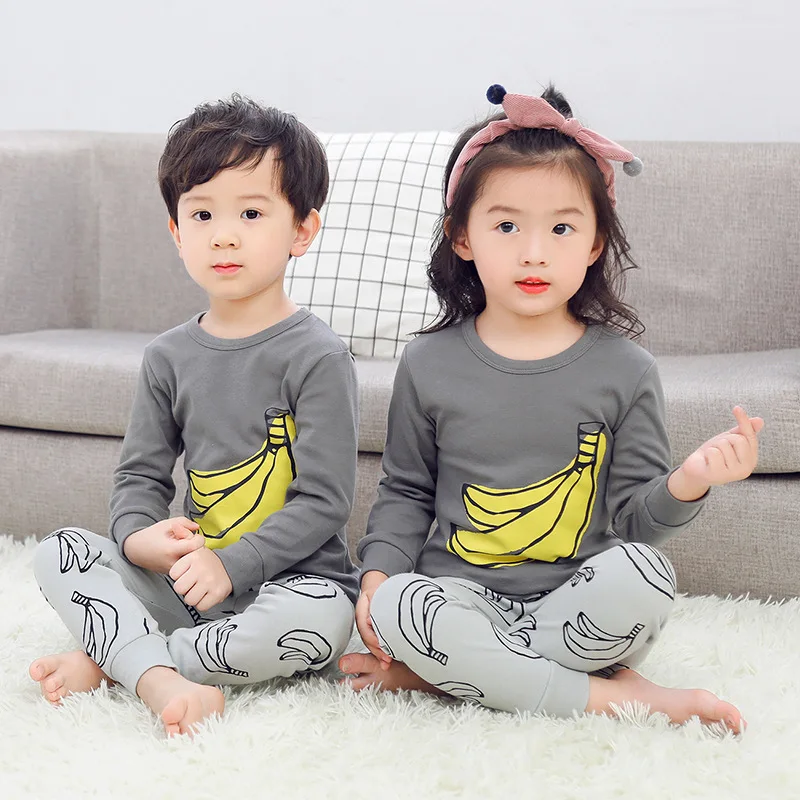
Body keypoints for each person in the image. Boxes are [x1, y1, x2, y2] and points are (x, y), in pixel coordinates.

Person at [339, 84, 762, 733]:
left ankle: (456, 675)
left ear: (594, 243)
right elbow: (406, 492)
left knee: (647, 574)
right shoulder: (427, 363)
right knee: (399, 602)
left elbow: (636, 523)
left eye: (562, 228)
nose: (534, 251)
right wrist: (377, 577)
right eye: (507, 225)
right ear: (462, 237)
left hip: (576, 607)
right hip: (461, 601)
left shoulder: (626, 370)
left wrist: (690, 480)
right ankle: (618, 697)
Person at [29, 95, 359, 736]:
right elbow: (139, 478)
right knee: (60, 553)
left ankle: (121, 661)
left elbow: (325, 501)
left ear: (302, 230)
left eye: (252, 213)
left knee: (319, 625)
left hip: (292, 588)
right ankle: (159, 675)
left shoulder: (318, 356)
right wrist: (137, 539)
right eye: (202, 214)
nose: (223, 235)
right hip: (187, 585)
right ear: (177, 232)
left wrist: (232, 567)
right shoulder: (168, 357)